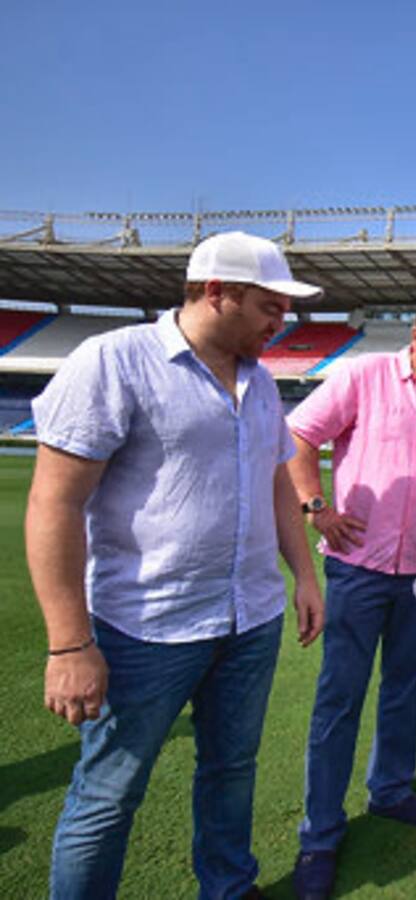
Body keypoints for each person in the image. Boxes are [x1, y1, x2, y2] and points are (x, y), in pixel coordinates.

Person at [26, 230, 326, 900]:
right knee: (107, 795)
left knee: (231, 769)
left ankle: (228, 888)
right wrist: (70, 642)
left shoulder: (261, 383)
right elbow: (54, 503)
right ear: (218, 292)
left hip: (250, 619)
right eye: (271, 307)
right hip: (144, 628)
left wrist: (304, 576)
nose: (284, 323)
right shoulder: (114, 361)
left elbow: (279, 482)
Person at [288, 293, 416, 899]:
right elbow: (298, 435)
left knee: (405, 686)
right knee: (340, 700)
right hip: (357, 569)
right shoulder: (363, 375)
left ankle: (391, 791)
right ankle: (320, 833)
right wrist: (317, 508)